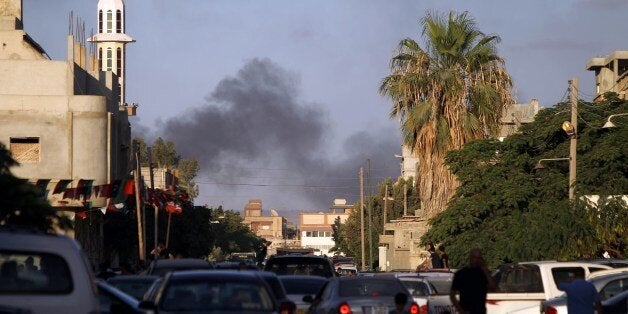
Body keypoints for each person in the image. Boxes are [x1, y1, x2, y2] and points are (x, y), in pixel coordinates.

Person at [450, 248, 496, 314]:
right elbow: (452, 295)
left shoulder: (483, 273)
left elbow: (493, 288)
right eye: (474, 257)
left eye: (479, 258)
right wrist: (461, 311)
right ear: (470, 257)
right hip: (466, 310)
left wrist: (485, 269)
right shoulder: (461, 274)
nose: (476, 260)